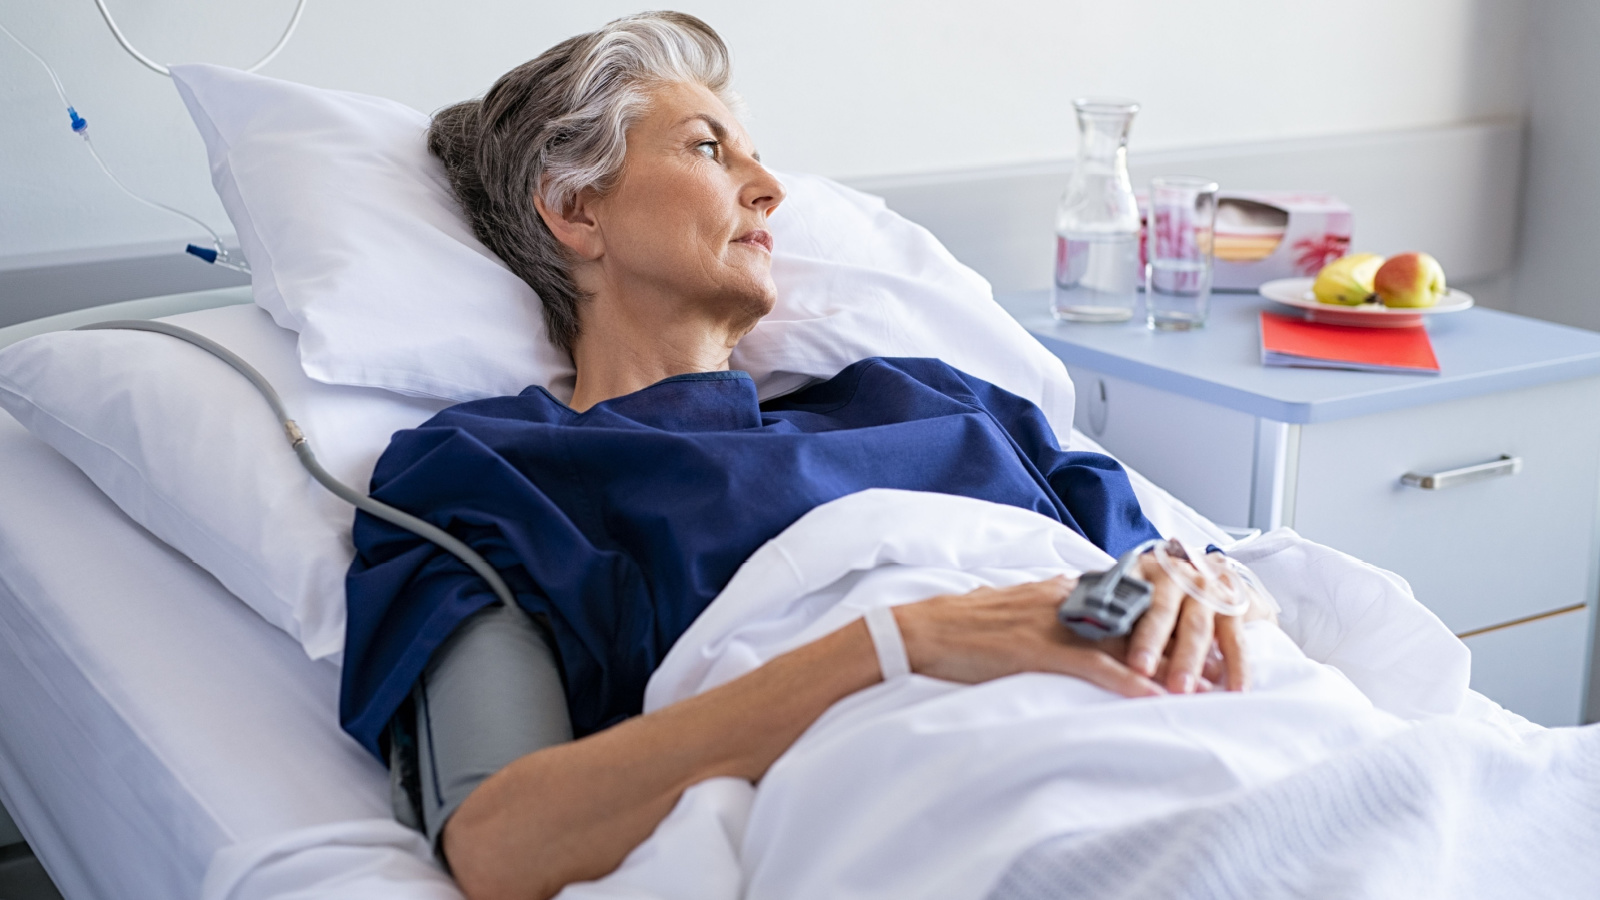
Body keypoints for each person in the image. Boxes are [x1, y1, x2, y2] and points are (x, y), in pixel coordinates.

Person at [341, 12, 1268, 900]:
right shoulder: (495, 472)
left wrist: (1206, 589)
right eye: (709, 148)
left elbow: (1189, 575)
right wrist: (907, 642)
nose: (770, 187)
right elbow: (502, 842)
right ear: (578, 211)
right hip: (967, 788)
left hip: (1214, 728)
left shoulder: (936, 400)